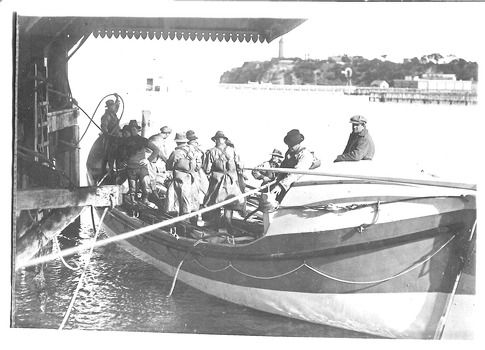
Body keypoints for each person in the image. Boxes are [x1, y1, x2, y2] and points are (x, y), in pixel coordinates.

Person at [203, 131, 245, 234]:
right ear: (225, 140)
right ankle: (229, 226)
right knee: (229, 204)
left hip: (218, 181)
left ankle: (216, 228)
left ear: (216, 140)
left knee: (215, 204)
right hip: (231, 181)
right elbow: (240, 166)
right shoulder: (233, 151)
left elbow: (207, 169)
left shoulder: (211, 152)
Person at [271, 129, 315, 202]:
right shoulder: (290, 153)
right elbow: (283, 169)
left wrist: (280, 186)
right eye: (288, 145)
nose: (290, 148)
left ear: (298, 144)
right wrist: (277, 181)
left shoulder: (305, 156)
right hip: (286, 184)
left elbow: (296, 173)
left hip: (297, 187)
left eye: (292, 145)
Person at [122, 120, 160, 205]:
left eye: (134, 129)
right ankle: (133, 202)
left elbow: (156, 150)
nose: (133, 131)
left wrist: (148, 160)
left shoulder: (143, 140)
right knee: (132, 188)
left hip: (141, 167)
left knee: (146, 186)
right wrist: (124, 161)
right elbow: (122, 153)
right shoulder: (126, 141)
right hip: (131, 168)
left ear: (138, 130)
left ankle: (145, 200)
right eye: (131, 129)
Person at [164, 132, 200, 218]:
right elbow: (198, 165)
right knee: (192, 199)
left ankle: (179, 219)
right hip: (192, 177)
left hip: (180, 178)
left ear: (177, 142)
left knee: (176, 199)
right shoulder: (194, 150)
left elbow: (169, 166)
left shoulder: (177, 152)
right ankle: (192, 219)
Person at [186, 130, 209, 219]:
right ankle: (199, 215)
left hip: (193, 174)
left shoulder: (187, 149)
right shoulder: (200, 150)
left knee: (193, 195)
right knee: (202, 193)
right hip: (199, 173)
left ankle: (195, 216)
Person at [100, 97, 122, 177]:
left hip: (117, 137)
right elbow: (104, 126)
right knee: (110, 155)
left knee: (117, 154)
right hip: (111, 138)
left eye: (114, 105)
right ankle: (109, 172)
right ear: (109, 107)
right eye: (112, 106)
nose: (114, 107)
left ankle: (117, 171)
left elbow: (117, 106)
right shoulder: (106, 116)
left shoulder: (113, 113)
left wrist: (117, 98)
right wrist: (107, 134)